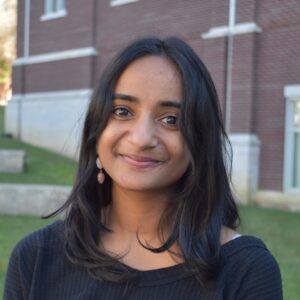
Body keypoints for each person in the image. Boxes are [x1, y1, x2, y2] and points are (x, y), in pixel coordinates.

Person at [4, 37, 282, 300]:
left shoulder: (246, 271)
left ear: (200, 139)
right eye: (122, 111)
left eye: (171, 119)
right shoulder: (35, 258)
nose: (141, 138)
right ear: (97, 127)